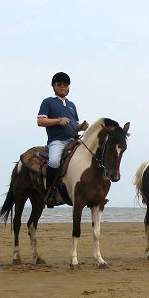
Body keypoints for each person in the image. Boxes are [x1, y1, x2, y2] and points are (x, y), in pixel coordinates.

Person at [37, 72, 88, 207]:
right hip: (57, 141)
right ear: (54, 86)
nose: (62, 87)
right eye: (59, 84)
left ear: (68, 88)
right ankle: (50, 192)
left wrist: (81, 127)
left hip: (74, 140)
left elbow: (74, 125)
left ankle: (90, 192)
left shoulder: (72, 105)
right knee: (54, 161)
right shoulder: (48, 102)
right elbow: (40, 121)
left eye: (65, 85)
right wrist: (58, 121)